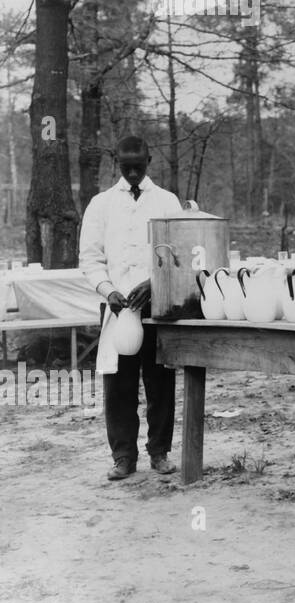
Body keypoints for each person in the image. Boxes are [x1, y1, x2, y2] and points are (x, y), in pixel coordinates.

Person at [79, 136, 183, 481]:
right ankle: (123, 456)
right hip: (118, 309)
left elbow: (180, 253)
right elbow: (90, 258)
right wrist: (107, 290)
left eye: (140, 165)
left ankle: (159, 451)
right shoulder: (101, 204)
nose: (134, 171)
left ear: (150, 159)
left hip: (156, 306)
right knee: (119, 388)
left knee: (160, 383)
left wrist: (156, 282)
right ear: (118, 163)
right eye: (127, 166)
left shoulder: (167, 201)